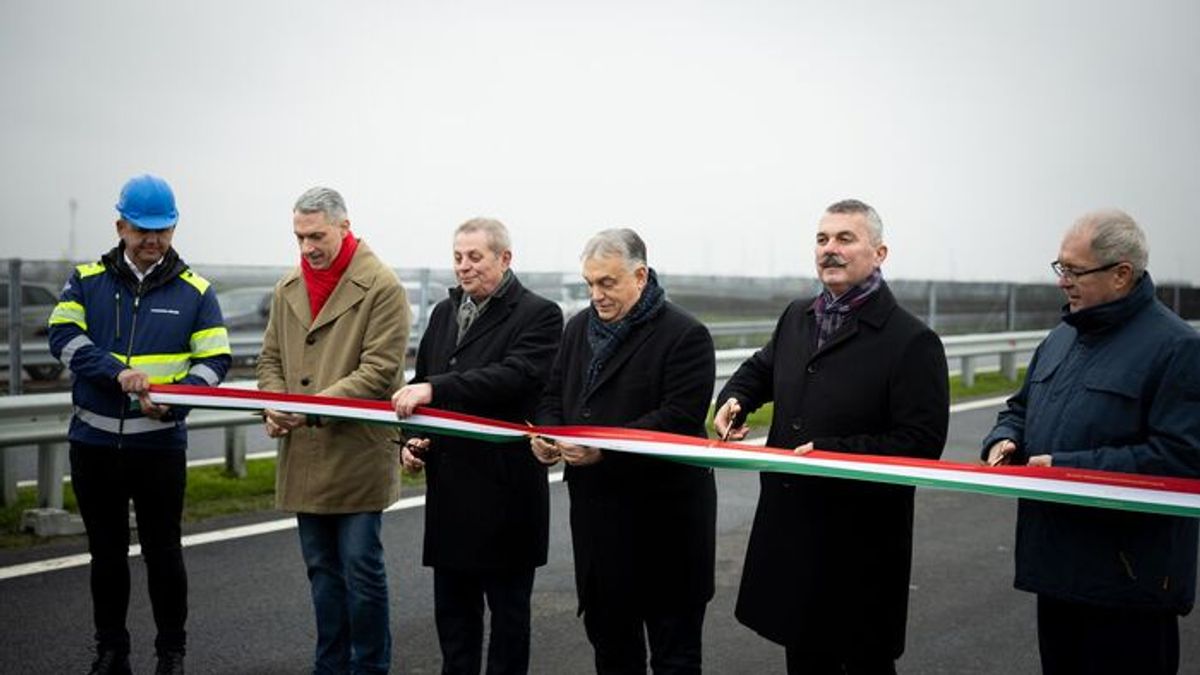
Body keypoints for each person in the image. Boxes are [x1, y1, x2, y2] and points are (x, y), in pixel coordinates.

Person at [714, 198, 949, 674]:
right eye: (822, 239)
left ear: (879, 253)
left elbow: (921, 442)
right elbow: (760, 370)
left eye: (845, 238)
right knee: (803, 657)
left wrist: (830, 454)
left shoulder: (911, 340)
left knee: (862, 660)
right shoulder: (797, 317)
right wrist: (734, 400)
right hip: (792, 529)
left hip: (860, 543)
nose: (829, 249)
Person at [982, 210, 1200, 674]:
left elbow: (1181, 458)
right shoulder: (1061, 338)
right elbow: (1018, 409)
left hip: (1129, 586)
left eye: (1075, 271)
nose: (1063, 282)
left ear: (1121, 273)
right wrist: (1004, 439)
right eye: (1060, 267)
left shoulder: (1178, 348)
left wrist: (1067, 469)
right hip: (1057, 573)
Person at [48, 174, 232, 675]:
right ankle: (111, 651)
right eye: (142, 229)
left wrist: (174, 403)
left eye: (162, 230)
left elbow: (215, 361)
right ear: (120, 227)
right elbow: (63, 336)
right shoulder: (86, 280)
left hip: (159, 447)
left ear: (174, 228)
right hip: (94, 445)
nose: (153, 239)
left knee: (164, 554)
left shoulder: (196, 291)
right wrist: (116, 373)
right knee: (106, 555)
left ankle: (171, 653)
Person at [531, 228, 716, 674]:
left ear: (640, 276)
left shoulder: (685, 334)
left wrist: (603, 450)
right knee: (612, 652)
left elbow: (678, 417)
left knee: (674, 658)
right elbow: (553, 394)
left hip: (666, 526)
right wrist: (548, 436)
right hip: (598, 525)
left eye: (607, 283)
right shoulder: (578, 327)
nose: (596, 294)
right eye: (590, 283)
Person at [391, 217, 562, 674]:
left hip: (506, 495)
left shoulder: (540, 314)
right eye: (457, 257)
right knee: (454, 624)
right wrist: (413, 440)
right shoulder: (443, 313)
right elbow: (422, 382)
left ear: (505, 259)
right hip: (450, 494)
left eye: (474, 257)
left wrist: (435, 388)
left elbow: (514, 376)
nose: (463, 266)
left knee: (508, 624)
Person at [256, 187, 409, 674]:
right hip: (304, 451)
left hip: (356, 452)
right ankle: (330, 666)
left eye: (316, 236)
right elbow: (269, 359)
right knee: (322, 572)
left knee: (361, 570)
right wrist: (275, 404)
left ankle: (369, 668)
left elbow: (379, 371)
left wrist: (308, 408)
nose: (307, 247)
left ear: (345, 227)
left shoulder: (382, 286)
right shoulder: (287, 287)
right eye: (299, 237)